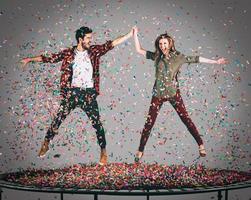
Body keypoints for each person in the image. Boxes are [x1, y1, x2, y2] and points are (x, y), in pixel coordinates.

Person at [20, 26, 133, 165]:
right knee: (58, 119)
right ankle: (46, 142)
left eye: (90, 38)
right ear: (80, 39)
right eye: (88, 39)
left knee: (97, 124)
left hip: (89, 94)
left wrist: (129, 35)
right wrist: (29, 59)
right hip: (72, 93)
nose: (90, 41)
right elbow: (49, 58)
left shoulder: (94, 52)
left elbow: (111, 44)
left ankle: (103, 152)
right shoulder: (68, 53)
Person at [132, 27, 228, 162]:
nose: (162, 46)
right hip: (158, 94)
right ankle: (140, 151)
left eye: (164, 43)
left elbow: (196, 59)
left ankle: (201, 145)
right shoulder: (156, 56)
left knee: (185, 119)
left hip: (173, 93)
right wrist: (135, 34)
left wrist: (216, 62)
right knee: (149, 123)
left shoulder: (178, 57)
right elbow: (139, 50)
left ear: (170, 44)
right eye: (160, 44)